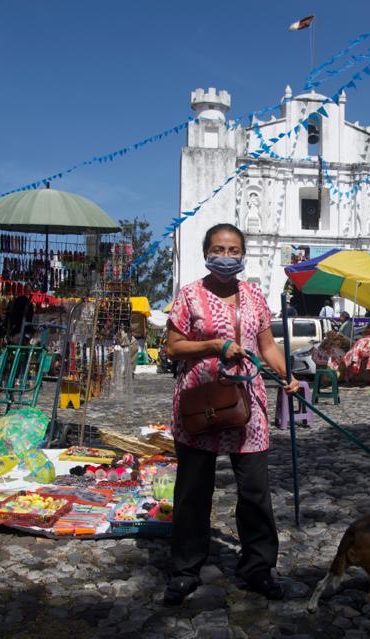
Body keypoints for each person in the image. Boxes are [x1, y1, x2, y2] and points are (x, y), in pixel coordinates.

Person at [163, 223, 300, 606]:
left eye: (233, 249)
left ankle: (258, 567)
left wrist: (288, 375)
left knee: (255, 491)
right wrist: (213, 344)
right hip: (199, 402)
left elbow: (267, 345)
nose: (226, 256)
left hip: (247, 406)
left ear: (242, 254)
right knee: (193, 491)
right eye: (219, 249)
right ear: (206, 252)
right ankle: (186, 570)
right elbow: (173, 347)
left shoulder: (254, 295)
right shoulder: (189, 295)